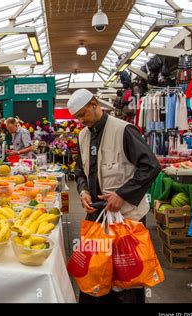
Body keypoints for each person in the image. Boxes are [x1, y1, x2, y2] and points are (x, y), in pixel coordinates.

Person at [68, 89, 161, 304]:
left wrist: (122, 195)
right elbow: (80, 171)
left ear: (94, 104)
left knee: (127, 273)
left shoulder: (124, 130)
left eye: (83, 114)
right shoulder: (83, 135)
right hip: (97, 217)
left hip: (126, 218)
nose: (81, 121)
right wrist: (82, 191)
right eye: (77, 117)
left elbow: (150, 166)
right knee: (97, 269)